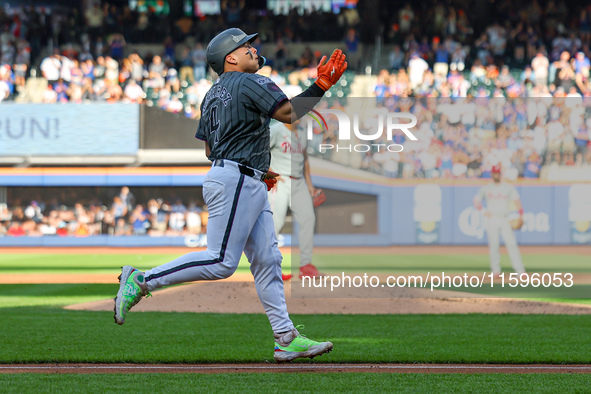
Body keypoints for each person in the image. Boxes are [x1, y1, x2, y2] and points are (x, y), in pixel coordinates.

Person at [113, 28, 347, 363]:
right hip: (237, 179)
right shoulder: (251, 81)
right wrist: (320, 86)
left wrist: (255, 167)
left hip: (238, 176)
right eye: (244, 45)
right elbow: (288, 113)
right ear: (230, 58)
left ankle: (285, 338)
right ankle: (142, 279)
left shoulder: (210, 95)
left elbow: (210, 148)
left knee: (268, 261)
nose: (252, 49)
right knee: (221, 261)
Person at [268, 119, 323, 281]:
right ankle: (270, 268)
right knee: (275, 224)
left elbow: (305, 159)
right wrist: (270, 174)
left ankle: (306, 266)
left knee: (308, 219)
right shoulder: (276, 130)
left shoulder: (303, 132)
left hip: (299, 181)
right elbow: (259, 151)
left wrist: (310, 185)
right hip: (280, 180)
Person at [473, 164, 526, 276]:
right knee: (494, 246)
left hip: (505, 218)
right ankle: (495, 270)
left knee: (511, 244)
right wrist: (483, 211)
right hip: (492, 219)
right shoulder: (486, 188)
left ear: (500, 174)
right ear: (492, 174)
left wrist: (521, 214)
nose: (496, 175)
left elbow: (517, 200)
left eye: (498, 173)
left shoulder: (507, 187)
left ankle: (520, 269)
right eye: (494, 173)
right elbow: (476, 200)